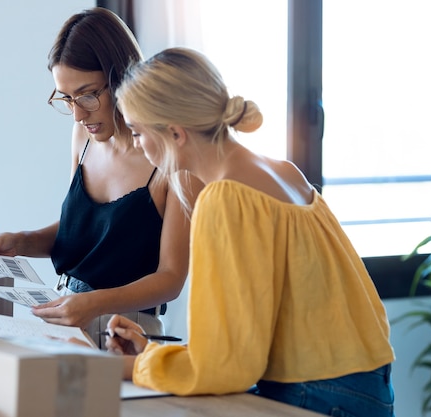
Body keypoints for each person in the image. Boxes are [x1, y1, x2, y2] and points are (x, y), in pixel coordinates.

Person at [104, 47, 396, 416]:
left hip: (316, 393)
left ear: (175, 133)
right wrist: (155, 355)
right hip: (365, 387)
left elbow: (227, 367)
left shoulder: (226, 198)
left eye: (137, 132)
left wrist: (128, 368)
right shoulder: (287, 173)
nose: (136, 144)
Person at [0, 8, 203, 349]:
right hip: (65, 315)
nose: (79, 114)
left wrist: (93, 304)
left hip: (126, 332)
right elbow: (81, 232)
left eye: (88, 94)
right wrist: (19, 242)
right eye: (67, 99)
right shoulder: (82, 139)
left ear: (123, 78)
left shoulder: (173, 159)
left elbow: (170, 278)